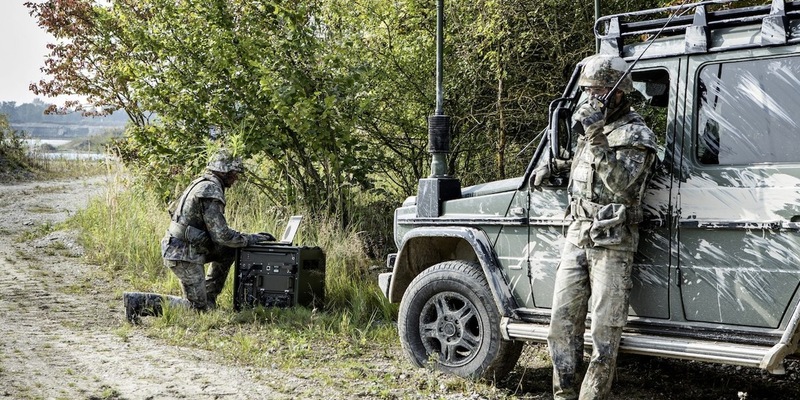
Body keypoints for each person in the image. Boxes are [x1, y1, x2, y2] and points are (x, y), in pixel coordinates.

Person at [540, 54, 658, 400]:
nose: (590, 97)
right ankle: (563, 394)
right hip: (578, 233)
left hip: (613, 240)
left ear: (618, 93)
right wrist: (557, 166)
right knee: (561, 323)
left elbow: (622, 184)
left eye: (599, 90)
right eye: (587, 90)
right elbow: (587, 169)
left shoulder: (636, 134)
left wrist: (594, 135)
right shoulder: (596, 128)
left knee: (604, 331)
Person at [124, 149, 274, 322]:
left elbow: (217, 236)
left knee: (228, 251)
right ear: (223, 171)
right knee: (196, 309)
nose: (236, 178)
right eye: (234, 173)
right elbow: (222, 235)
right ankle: (137, 302)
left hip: (188, 247)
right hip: (183, 253)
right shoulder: (210, 189)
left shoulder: (202, 183)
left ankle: (209, 298)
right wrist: (252, 238)